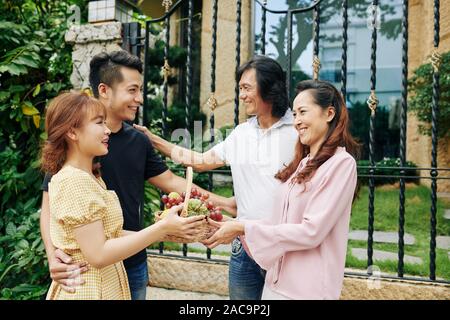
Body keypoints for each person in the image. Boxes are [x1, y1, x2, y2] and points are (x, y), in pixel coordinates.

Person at [40, 50, 235, 300]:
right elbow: (51, 208)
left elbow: (172, 182)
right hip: (89, 271)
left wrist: (224, 204)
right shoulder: (74, 162)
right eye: (132, 90)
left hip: (130, 265)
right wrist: (53, 254)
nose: (140, 98)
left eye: (141, 90)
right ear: (104, 90)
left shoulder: (135, 142)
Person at [134, 55, 298, 300]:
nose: (241, 95)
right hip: (245, 249)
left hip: (285, 249)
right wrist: (154, 140)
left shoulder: (298, 130)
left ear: (269, 87)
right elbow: (200, 162)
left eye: (246, 88)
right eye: (240, 88)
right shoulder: (241, 134)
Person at [203, 80, 360, 300]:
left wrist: (244, 227)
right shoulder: (303, 164)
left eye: (303, 112)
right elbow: (280, 223)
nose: (297, 121)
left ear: (329, 113)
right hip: (276, 283)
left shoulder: (341, 164)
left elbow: (311, 231)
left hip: (306, 291)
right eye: (294, 114)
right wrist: (237, 227)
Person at [41, 92, 205, 299]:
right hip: (87, 289)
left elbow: (111, 234)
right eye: (99, 123)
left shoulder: (89, 176)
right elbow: (98, 254)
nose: (107, 130)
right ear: (72, 132)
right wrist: (161, 228)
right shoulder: (73, 181)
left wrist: (163, 231)